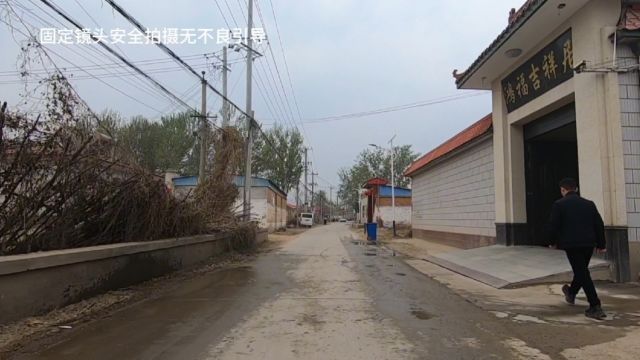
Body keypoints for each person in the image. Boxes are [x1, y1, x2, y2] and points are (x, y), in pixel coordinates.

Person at [546, 178, 607, 320]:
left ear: (562, 190)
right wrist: (601, 244)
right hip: (588, 244)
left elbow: (553, 225)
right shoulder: (589, 204)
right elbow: (599, 224)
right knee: (582, 271)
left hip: (572, 245)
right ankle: (571, 292)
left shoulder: (559, 204)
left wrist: (551, 242)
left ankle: (595, 305)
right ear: (576, 189)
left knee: (582, 272)